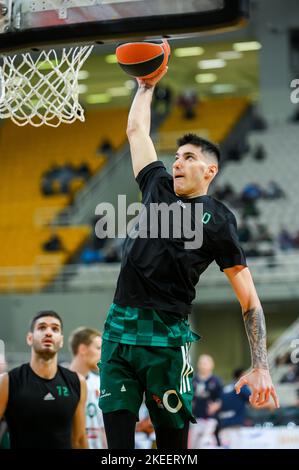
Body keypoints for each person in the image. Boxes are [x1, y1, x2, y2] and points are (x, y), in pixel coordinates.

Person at [99, 63, 279, 450]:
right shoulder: (157, 185)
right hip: (119, 328)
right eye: (176, 156)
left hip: (167, 335)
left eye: (188, 157)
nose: (177, 162)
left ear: (209, 170)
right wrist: (145, 86)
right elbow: (136, 131)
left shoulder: (219, 219)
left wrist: (261, 364)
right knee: (117, 448)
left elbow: (248, 297)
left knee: (172, 449)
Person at [0, 311, 88, 449]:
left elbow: (79, 440)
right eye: (42, 327)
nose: (48, 333)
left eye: (55, 329)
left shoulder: (77, 382)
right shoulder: (7, 381)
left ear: (61, 340)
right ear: (30, 338)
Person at [69, 327, 106, 449]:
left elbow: (104, 427)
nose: (102, 353)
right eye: (98, 348)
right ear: (83, 349)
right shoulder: (61, 383)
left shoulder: (101, 384)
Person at [189, 355, 223, 449]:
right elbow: (188, 397)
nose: (203, 365)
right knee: (194, 444)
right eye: (201, 363)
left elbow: (221, 398)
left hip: (210, 419)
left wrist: (216, 405)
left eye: (205, 363)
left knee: (205, 443)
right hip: (195, 417)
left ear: (211, 365)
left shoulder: (216, 380)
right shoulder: (193, 380)